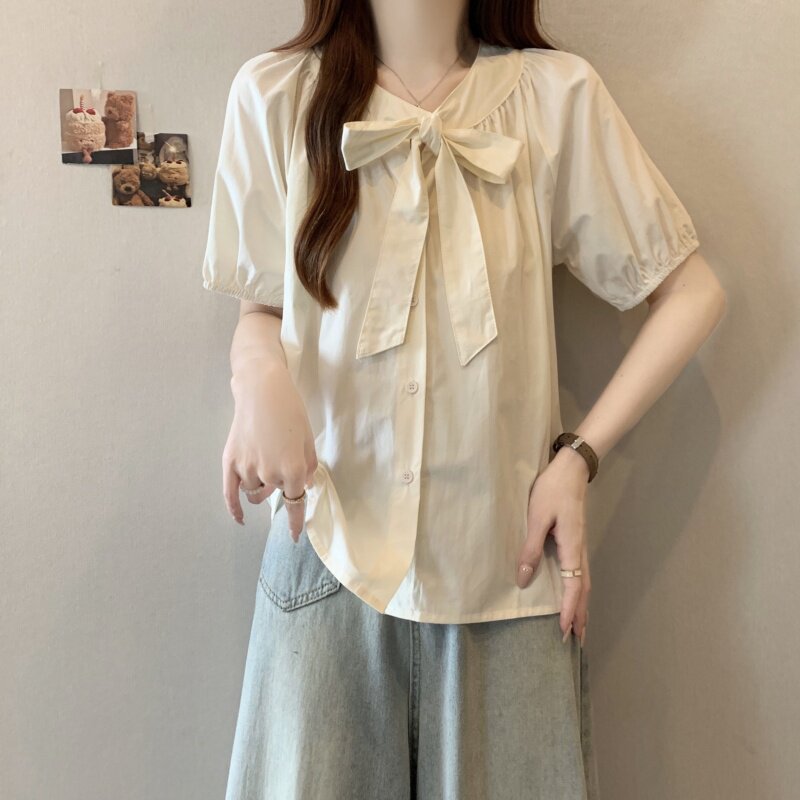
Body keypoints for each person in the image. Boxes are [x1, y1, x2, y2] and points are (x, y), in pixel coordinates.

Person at [201, 1, 727, 797]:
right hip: (328, 549)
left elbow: (691, 292)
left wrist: (577, 460)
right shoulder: (275, 96)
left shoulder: (555, 98)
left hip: (506, 571)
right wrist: (256, 379)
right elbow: (261, 308)